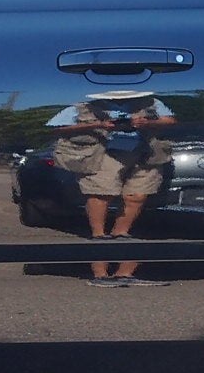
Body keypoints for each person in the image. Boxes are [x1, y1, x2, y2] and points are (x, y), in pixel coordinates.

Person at [46, 90, 178, 285]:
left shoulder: (151, 103)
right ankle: (100, 269)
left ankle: (122, 250)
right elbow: (56, 128)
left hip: (145, 154)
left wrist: (146, 123)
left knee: (138, 195)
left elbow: (170, 121)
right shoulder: (82, 107)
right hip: (102, 153)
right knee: (100, 195)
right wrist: (98, 125)